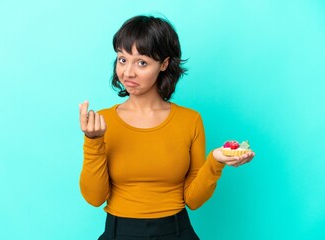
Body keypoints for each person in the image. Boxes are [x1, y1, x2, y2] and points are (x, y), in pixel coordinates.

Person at [79, 15, 255, 240]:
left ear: (164, 64)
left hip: (176, 231)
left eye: (142, 62)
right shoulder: (101, 122)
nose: (128, 72)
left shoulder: (190, 121)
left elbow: (193, 200)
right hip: (119, 232)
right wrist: (93, 142)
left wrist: (215, 161)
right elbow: (95, 198)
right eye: (122, 59)